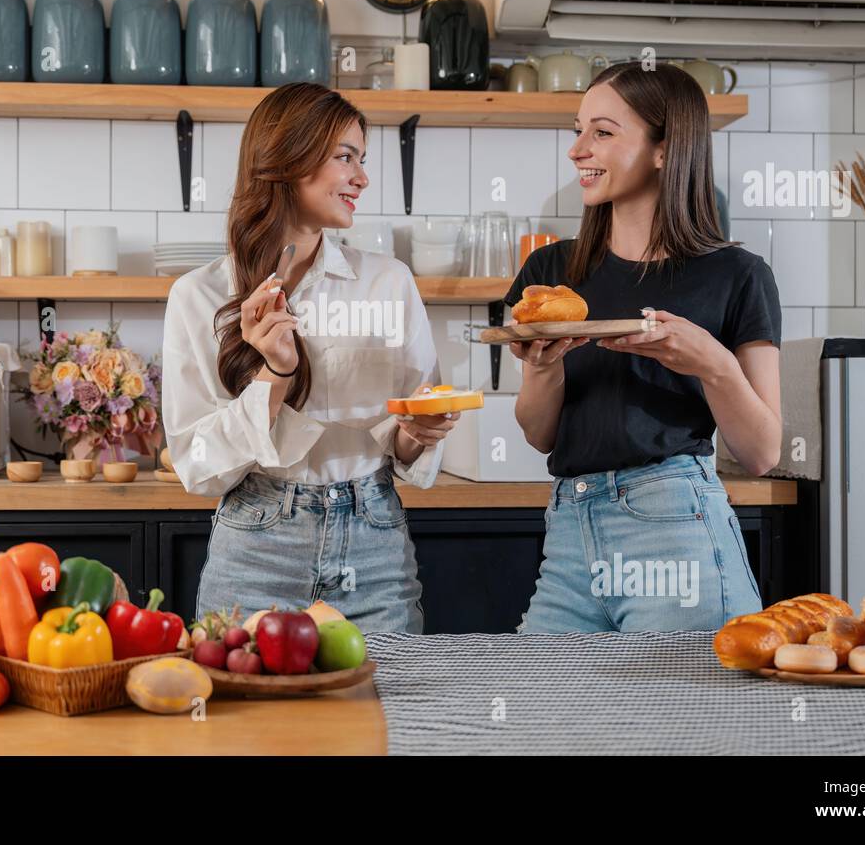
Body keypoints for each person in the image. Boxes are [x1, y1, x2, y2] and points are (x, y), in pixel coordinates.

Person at [162, 82, 456, 633]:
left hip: (373, 541)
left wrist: (421, 433)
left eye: (361, 160)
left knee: (386, 713)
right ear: (287, 159)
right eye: (346, 157)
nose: (362, 179)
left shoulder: (388, 283)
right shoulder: (198, 296)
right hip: (255, 545)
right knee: (251, 717)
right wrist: (276, 375)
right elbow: (197, 466)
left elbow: (408, 432)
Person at [508, 61, 782, 634]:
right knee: (542, 715)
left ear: (664, 148)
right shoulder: (553, 271)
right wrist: (544, 369)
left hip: (676, 527)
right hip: (569, 532)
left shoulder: (737, 275)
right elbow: (538, 434)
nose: (577, 149)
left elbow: (761, 453)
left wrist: (715, 365)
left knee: (685, 720)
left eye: (602, 132)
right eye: (578, 129)